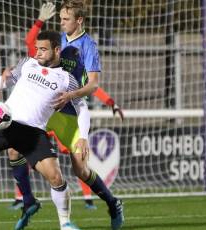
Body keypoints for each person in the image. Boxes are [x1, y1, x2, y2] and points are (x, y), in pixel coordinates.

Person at [6, 1, 124, 230]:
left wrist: (73, 95)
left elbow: (92, 85)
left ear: (78, 20)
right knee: (13, 147)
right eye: (60, 18)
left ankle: (113, 202)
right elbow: (32, 48)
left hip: (70, 114)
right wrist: (39, 21)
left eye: (65, 18)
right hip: (47, 110)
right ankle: (28, 201)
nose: (61, 22)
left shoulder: (88, 46)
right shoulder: (56, 41)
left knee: (80, 169)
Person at [0, 31, 84, 230]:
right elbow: (3, 81)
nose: (38, 53)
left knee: (56, 177)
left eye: (43, 49)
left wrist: (83, 137)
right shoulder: (27, 63)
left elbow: (82, 108)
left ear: (56, 50)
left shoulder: (68, 80)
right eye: (37, 49)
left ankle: (65, 223)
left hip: (33, 133)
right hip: (5, 122)